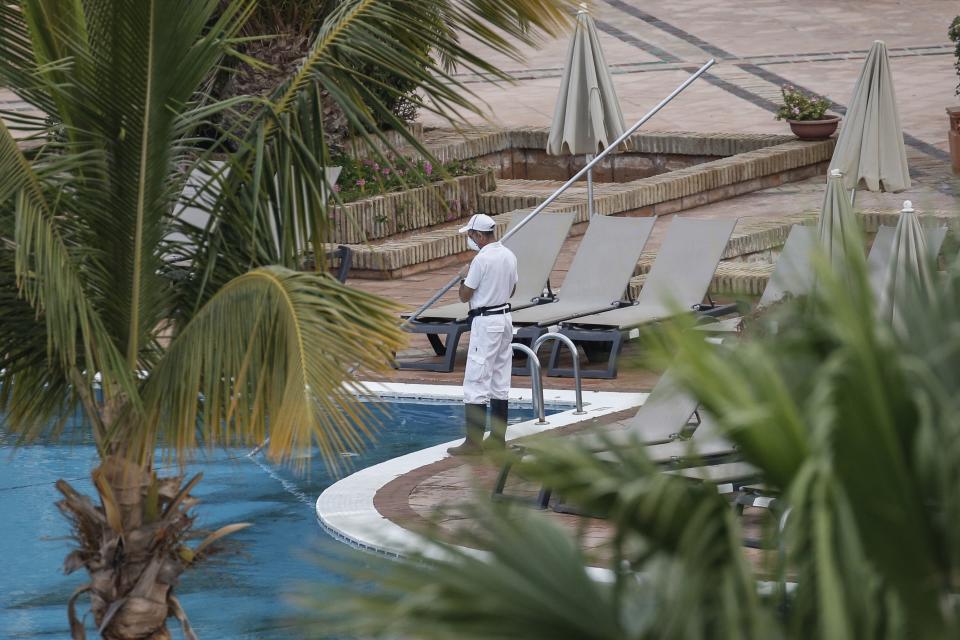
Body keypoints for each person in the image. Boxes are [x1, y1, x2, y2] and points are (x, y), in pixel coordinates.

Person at [447, 213, 518, 456]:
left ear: (479, 235)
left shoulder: (481, 260)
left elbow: (465, 295)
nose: (470, 239)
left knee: (476, 379)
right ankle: (498, 439)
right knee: (500, 378)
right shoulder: (509, 255)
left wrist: (463, 277)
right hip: (505, 318)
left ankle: (473, 443)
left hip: (485, 322)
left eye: (470, 235)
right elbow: (514, 287)